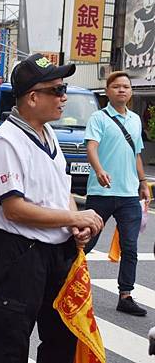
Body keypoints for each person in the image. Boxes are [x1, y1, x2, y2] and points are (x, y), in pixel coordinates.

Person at [0, 53, 104, 362]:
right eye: (57, 90)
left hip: (57, 252)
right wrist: (74, 216)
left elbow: (60, 190)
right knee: (10, 343)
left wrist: (73, 225)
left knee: (61, 338)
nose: (63, 97)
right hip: (21, 253)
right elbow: (14, 209)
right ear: (33, 97)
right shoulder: (6, 141)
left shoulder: (48, 133)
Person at [84, 71, 151, 316]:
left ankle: (126, 295)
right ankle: (63, 283)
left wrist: (143, 182)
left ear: (131, 91)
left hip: (128, 195)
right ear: (108, 91)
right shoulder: (98, 118)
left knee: (130, 247)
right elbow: (91, 146)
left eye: (126, 86)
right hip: (101, 192)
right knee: (85, 243)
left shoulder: (134, 119)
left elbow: (136, 154)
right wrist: (99, 170)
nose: (122, 90)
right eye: (117, 86)